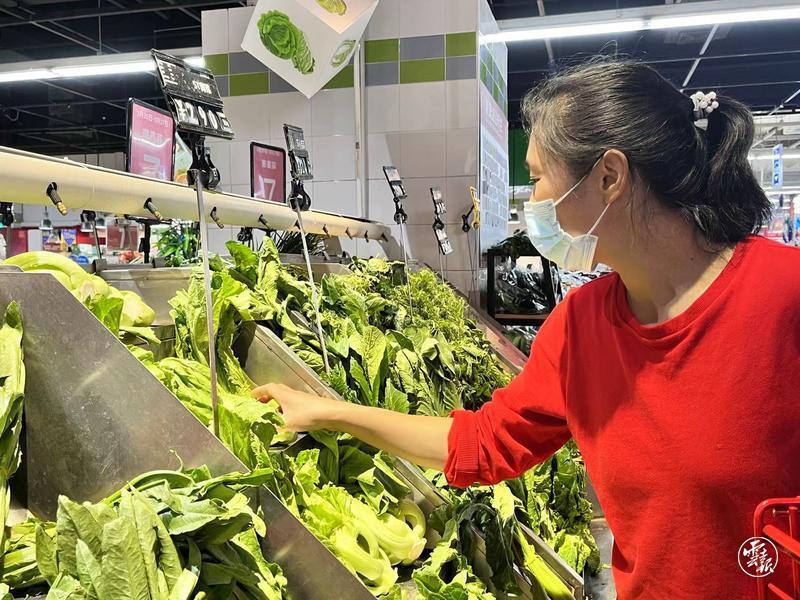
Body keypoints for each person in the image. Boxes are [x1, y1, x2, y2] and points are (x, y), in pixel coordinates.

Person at [253, 60, 800, 599]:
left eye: (537, 179)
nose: (531, 201)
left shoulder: (783, 296)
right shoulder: (581, 327)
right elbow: (483, 443)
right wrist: (329, 412)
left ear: (609, 177)